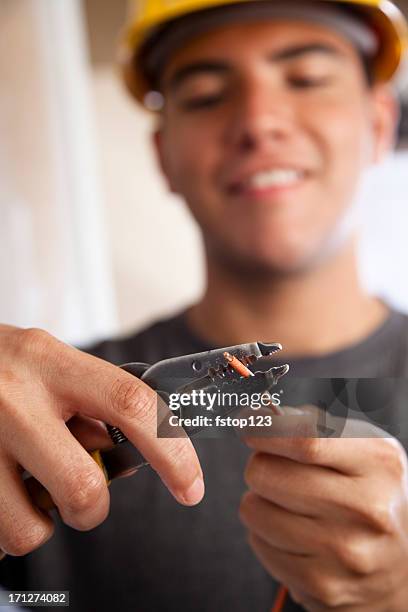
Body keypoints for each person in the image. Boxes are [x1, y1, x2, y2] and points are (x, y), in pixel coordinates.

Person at [1, 0, 408, 609]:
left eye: (306, 79)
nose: (259, 121)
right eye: (208, 93)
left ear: (380, 123)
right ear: (163, 155)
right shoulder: (49, 413)